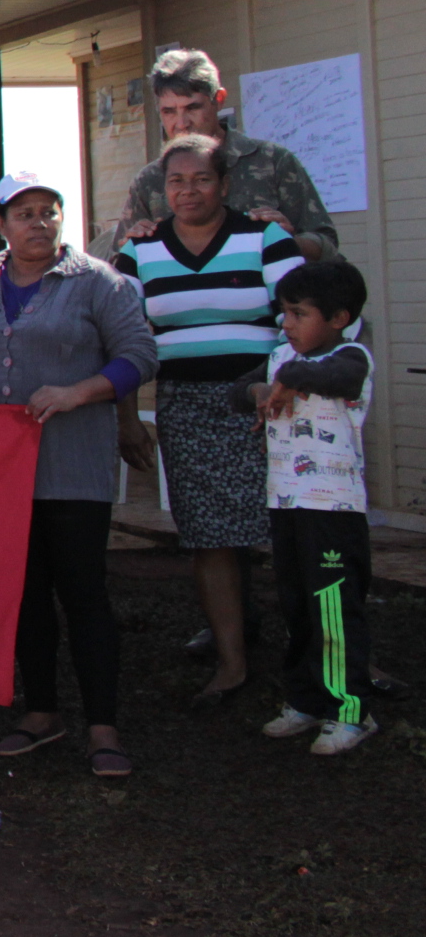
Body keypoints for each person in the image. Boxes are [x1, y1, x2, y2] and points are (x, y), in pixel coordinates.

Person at [0, 173, 156, 779]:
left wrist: (82, 391)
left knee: (83, 594)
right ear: (0, 223)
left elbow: (139, 356)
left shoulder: (97, 284)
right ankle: (41, 712)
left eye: (49, 212)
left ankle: (103, 725)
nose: (39, 223)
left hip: (74, 466)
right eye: (25, 213)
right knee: (23, 597)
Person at [112, 134, 298, 708]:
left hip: (273, 403)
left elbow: (301, 313)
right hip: (187, 406)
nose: (188, 191)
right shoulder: (140, 252)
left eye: (201, 179)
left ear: (225, 184)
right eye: (176, 181)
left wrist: (282, 385)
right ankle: (233, 662)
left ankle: (319, 657)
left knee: (292, 532)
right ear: (161, 190)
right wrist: (128, 419)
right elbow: (122, 338)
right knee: (210, 538)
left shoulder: (264, 236)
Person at [236, 260, 377, 755]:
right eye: (283, 313)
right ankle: (304, 699)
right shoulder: (277, 359)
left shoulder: (353, 357)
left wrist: (289, 377)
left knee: (335, 610)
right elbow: (241, 389)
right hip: (286, 506)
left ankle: (351, 711)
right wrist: (257, 389)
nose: (286, 324)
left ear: (338, 318)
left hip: (334, 513)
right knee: (296, 605)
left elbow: (334, 376)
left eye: (298, 313)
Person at [113, 48, 337, 258]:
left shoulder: (271, 162)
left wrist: (286, 243)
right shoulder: (150, 179)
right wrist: (130, 248)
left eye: (193, 108)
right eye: (169, 111)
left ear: (218, 100)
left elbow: (326, 244)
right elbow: (116, 262)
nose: (181, 123)